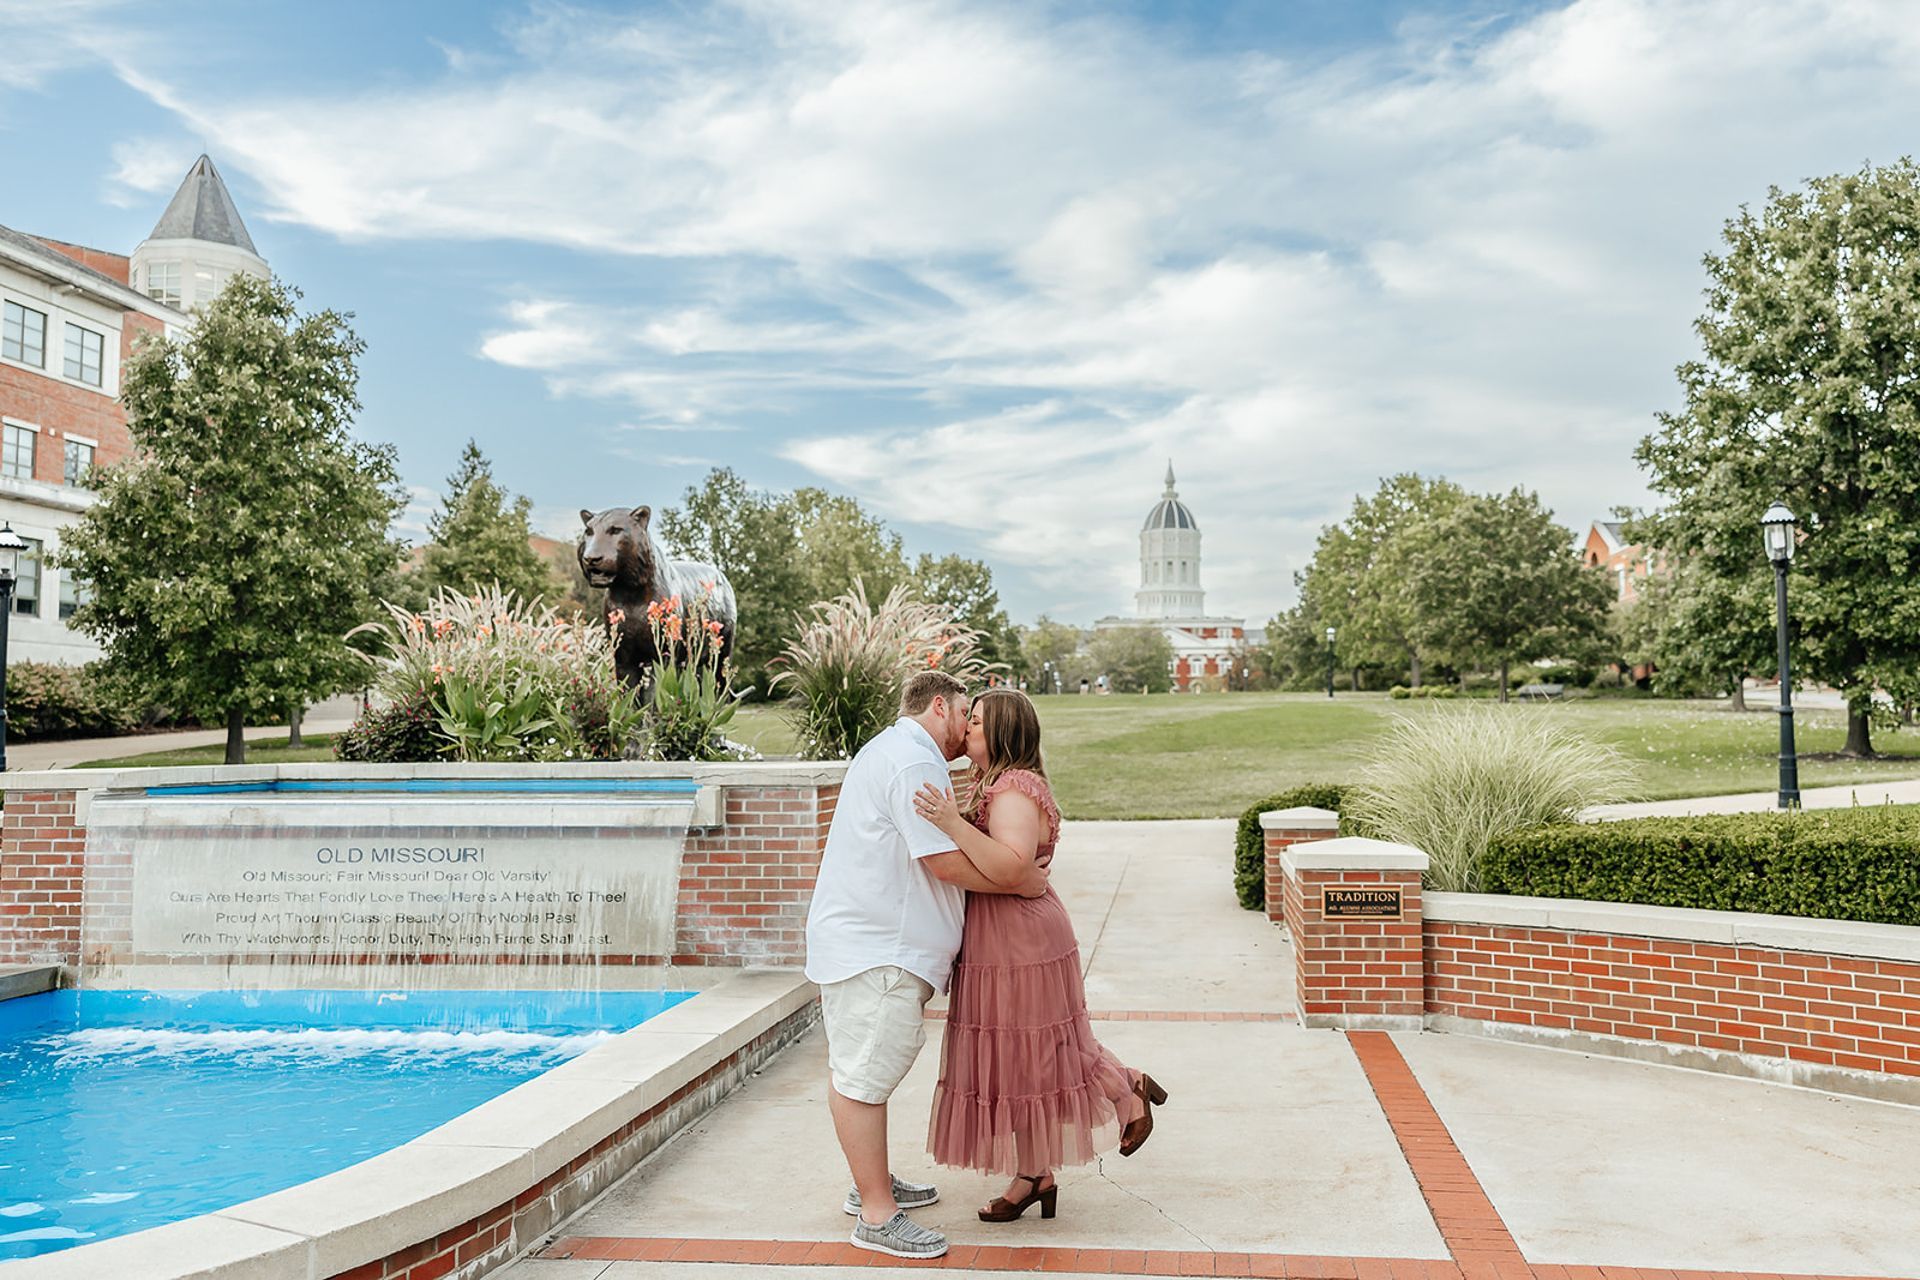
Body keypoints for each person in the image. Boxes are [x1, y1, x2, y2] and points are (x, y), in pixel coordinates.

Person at [804, 671, 1051, 1261]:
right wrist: (1017, 883)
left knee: (864, 1071)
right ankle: (877, 1214)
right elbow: (944, 863)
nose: (968, 726)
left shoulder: (899, 751)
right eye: (964, 712)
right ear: (939, 705)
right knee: (864, 1079)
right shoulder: (912, 763)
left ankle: (874, 1185)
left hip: (877, 947)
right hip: (880, 952)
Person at [913, 688, 1167, 1222]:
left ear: (1003, 732)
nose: (967, 730)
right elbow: (1010, 871)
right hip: (1000, 935)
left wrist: (951, 822)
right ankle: (1037, 1172)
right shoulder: (994, 783)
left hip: (1021, 940)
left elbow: (1009, 866)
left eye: (977, 723)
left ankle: (1123, 1093)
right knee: (1022, 1060)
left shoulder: (1012, 790)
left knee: (1039, 1052)